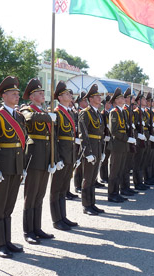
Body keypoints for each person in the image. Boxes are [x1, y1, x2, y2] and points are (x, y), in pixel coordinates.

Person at [0, 76, 27, 258]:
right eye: (13, 93)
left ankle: (7, 241)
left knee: (9, 206)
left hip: (16, 166)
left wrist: (23, 166)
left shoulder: (18, 116)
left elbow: (22, 143)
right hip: (2, 167)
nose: (17, 96)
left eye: (18, 93)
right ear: (4, 96)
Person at [20, 78, 55, 245]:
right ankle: (28, 231)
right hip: (34, 156)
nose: (42, 95)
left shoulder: (45, 110)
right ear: (32, 96)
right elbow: (30, 118)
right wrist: (48, 116)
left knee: (40, 195)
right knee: (31, 195)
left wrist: (53, 159)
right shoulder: (27, 109)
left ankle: (37, 227)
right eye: (39, 93)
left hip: (45, 155)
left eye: (42, 93)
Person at [50, 81, 79, 231]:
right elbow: (54, 138)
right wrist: (57, 158)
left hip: (70, 153)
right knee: (56, 189)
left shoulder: (68, 112)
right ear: (60, 97)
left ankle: (63, 216)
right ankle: (57, 219)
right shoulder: (57, 113)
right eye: (67, 94)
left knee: (63, 188)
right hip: (62, 154)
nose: (70, 96)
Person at [78, 84, 105, 215]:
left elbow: (101, 133)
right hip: (90, 148)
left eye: (99, 96)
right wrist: (87, 152)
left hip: (98, 146)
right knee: (87, 178)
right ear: (90, 99)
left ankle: (92, 203)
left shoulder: (98, 113)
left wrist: (103, 150)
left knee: (93, 178)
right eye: (97, 96)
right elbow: (83, 134)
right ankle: (86, 205)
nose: (99, 98)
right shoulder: (85, 113)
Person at [107, 87, 134, 203]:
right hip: (118, 144)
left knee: (120, 170)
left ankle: (117, 192)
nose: (124, 99)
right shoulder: (114, 112)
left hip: (123, 145)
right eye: (121, 98)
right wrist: (127, 138)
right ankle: (112, 194)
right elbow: (114, 131)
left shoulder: (121, 112)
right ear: (116, 101)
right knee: (115, 171)